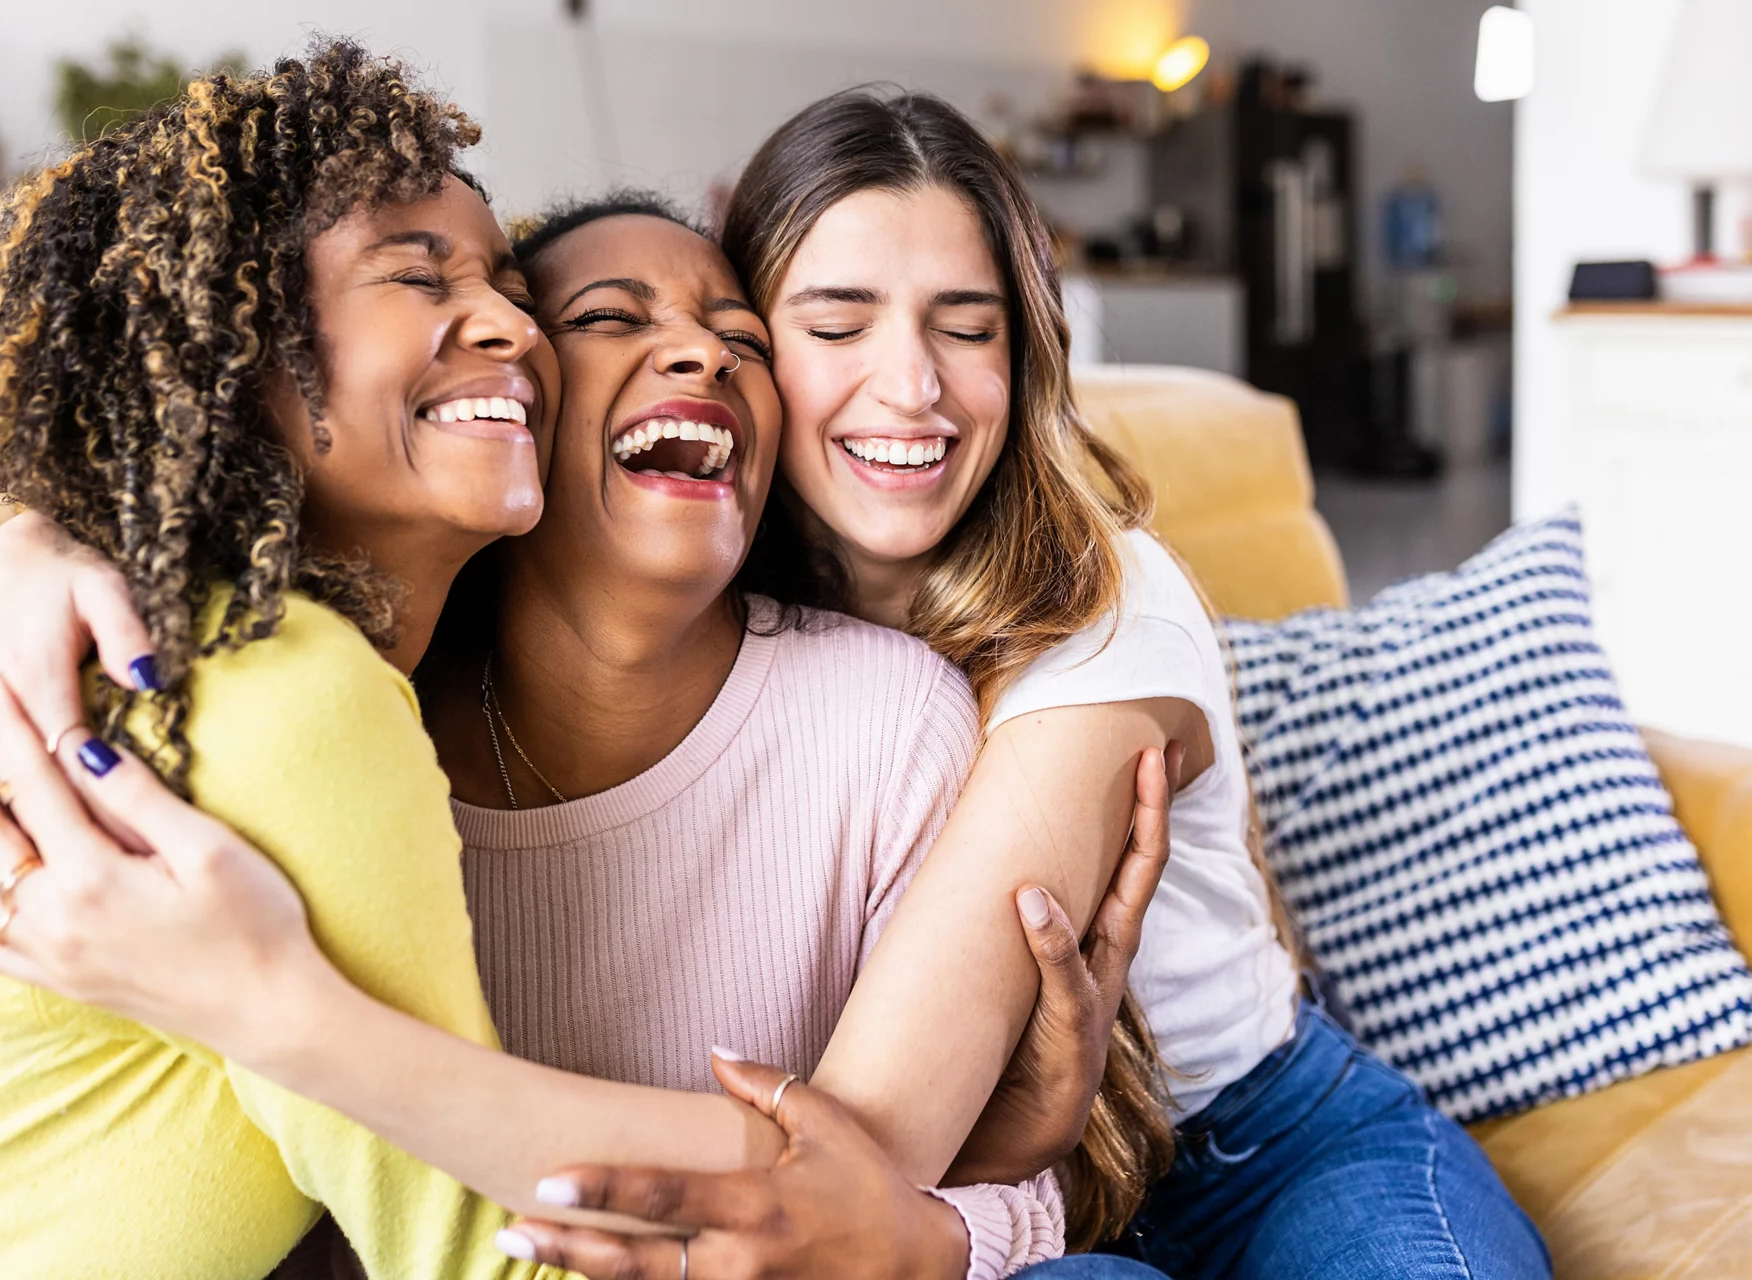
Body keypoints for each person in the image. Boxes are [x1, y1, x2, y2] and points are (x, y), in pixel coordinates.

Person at [0, 80, 1174, 1280]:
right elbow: (483, 1246)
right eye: (604, 319)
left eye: (743, 338)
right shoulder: (305, 701)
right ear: (227, 358)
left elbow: (857, 1193)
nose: (509, 325)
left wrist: (971, 1179)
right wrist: (34, 539)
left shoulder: (890, 712)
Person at [503, 91, 1554, 1280]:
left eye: (967, 326)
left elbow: (870, 1144)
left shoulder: (1106, 602)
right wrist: (1030, 1133)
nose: (913, 386)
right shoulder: (717, 610)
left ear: (1026, 348)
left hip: (1266, 1152)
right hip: (1021, 1209)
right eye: (838, 325)